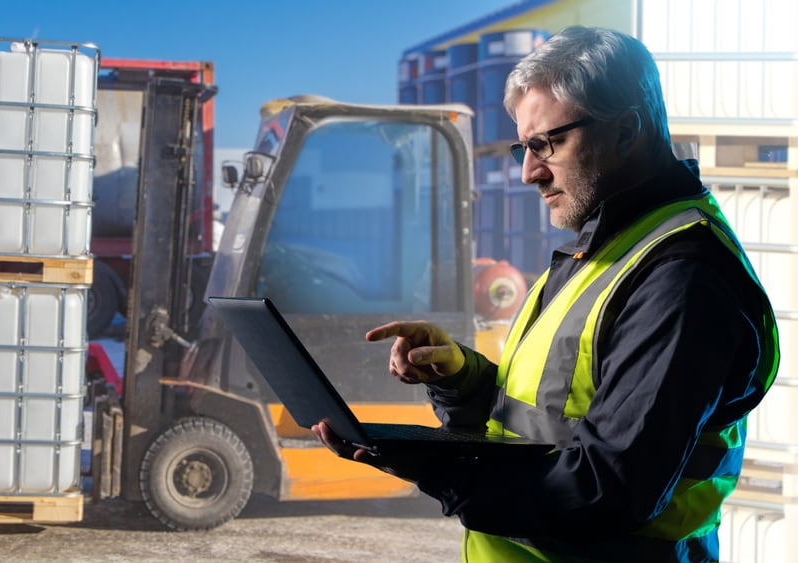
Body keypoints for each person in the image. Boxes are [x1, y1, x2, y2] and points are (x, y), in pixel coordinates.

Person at [312, 25, 779, 562]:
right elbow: (547, 421)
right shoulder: (607, 250)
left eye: (546, 144)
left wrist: (432, 468)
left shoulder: (682, 277)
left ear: (626, 131)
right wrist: (461, 378)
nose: (529, 172)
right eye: (523, 148)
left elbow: (605, 492)